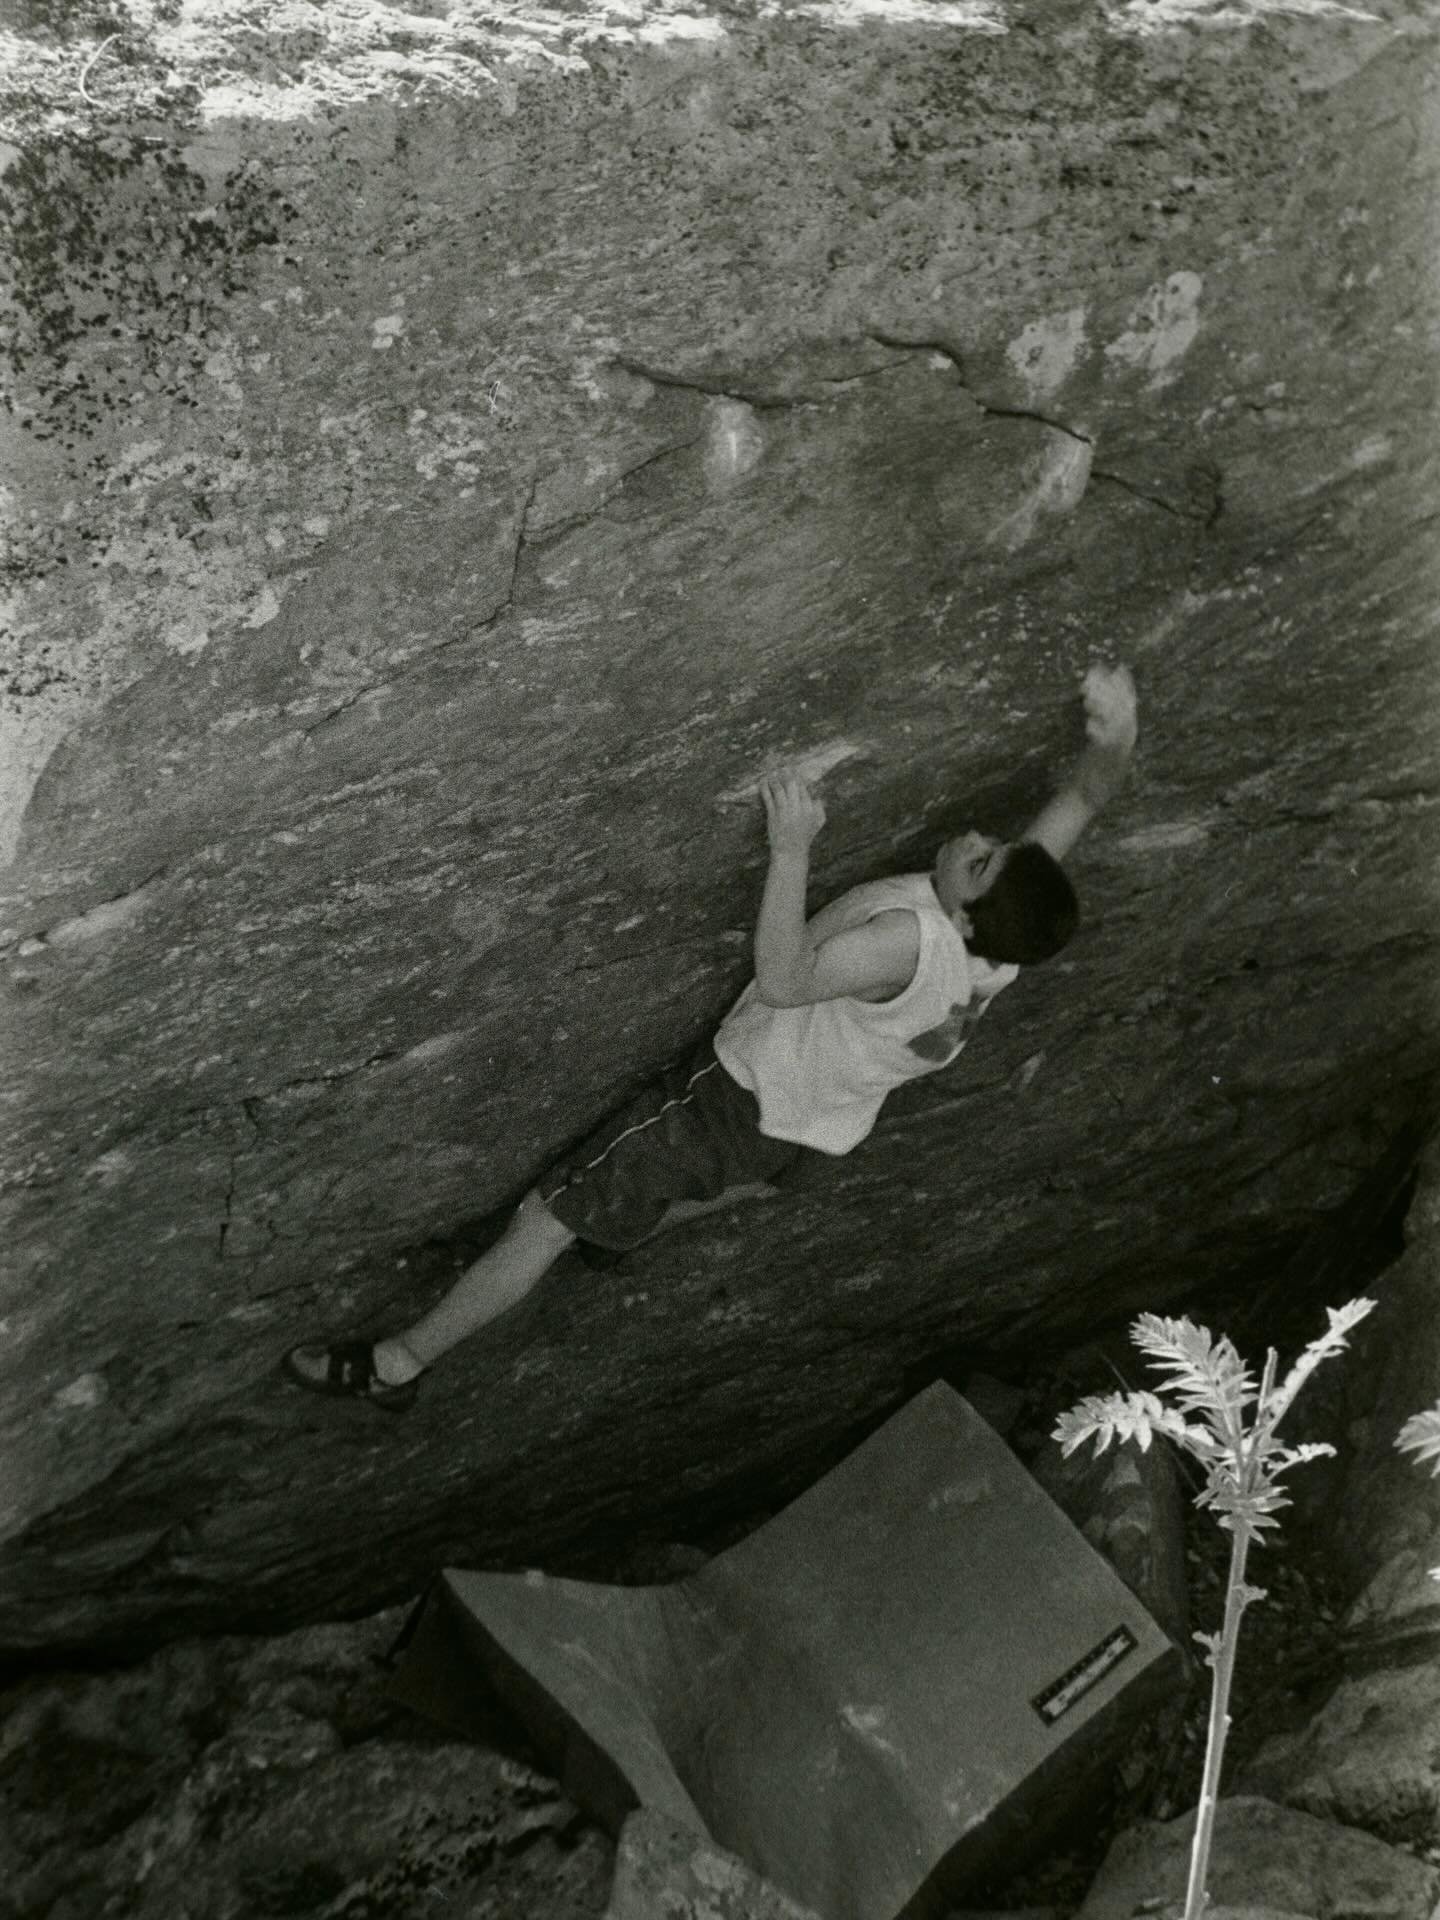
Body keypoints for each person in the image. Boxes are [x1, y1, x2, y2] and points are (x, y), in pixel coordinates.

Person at [285, 663, 1138, 1410]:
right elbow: (1086, 797)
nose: (977, 840)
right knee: (699, 1190)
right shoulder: (1002, 941)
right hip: (818, 1129)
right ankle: (625, 1224)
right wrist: (1117, 725)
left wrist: (791, 848)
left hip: (732, 1103)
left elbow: (785, 978)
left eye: (981, 860)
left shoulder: (908, 944)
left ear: (963, 913)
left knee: (547, 1219)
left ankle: (398, 1365)